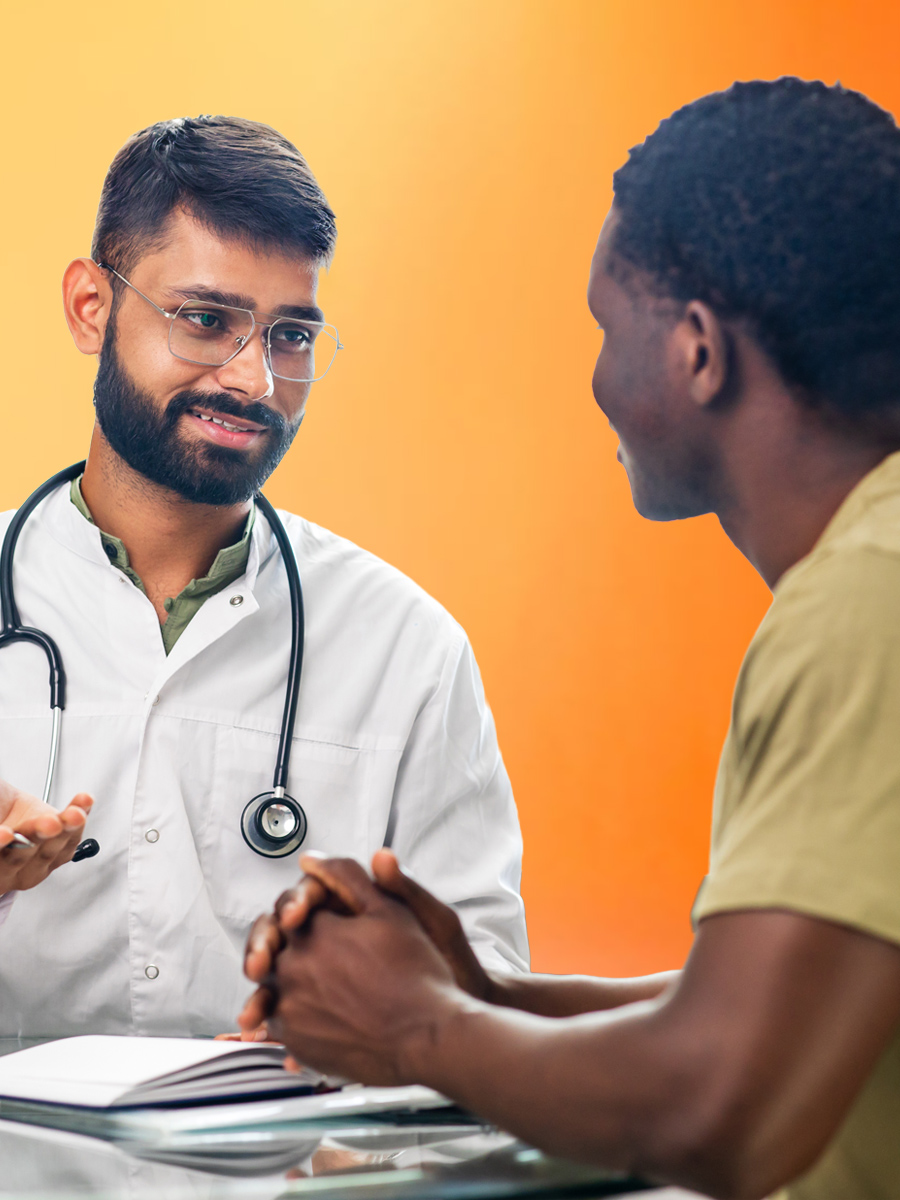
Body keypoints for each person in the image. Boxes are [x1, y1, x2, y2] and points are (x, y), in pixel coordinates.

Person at [243, 79, 900, 1199]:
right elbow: (777, 1004)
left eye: (606, 329)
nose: (593, 379)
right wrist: (487, 1000)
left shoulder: (864, 605)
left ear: (699, 353)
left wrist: (414, 1025)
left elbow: (715, 1103)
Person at [0, 116, 528, 1038]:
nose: (256, 379)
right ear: (92, 307)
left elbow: (479, 996)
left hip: (281, 1182)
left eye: (291, 335)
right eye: (206, 320)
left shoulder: (408, 650)